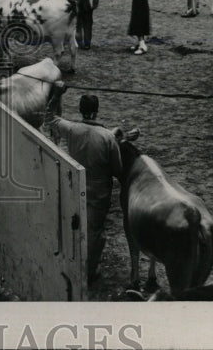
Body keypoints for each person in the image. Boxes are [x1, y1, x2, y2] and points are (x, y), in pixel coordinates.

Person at [45, 94, 122, 284]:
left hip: (76, 187)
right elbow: (118, 170)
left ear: (80, 110)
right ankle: (89, 272)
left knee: (74, 225)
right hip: (99, 191)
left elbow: (50, 117)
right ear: (97, 111)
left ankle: (70, 264)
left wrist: (57, 94)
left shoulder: (71, 129)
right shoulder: (108, 137)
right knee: (94, 232)